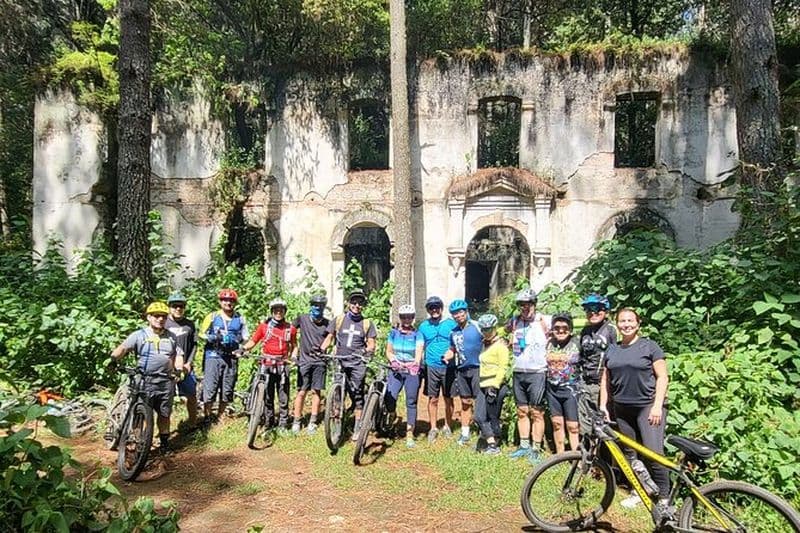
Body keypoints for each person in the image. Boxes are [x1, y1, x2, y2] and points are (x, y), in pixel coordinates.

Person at [599, 308, 669, 509]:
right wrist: (604, 405)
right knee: (630, 452)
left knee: (653, 452)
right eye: (622, 321)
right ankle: (638, 490)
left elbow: (662, 377)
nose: (626, 324)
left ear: (638, 323)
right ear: (617, 324)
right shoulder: (612, 349)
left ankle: (664, 497)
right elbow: (606, 379)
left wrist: (657, 405)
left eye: (630, 320)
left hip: (648, 406)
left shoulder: (649, 346)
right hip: (622, 408)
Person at [110, 301, 184, 452]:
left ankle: (164, 444)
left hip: (165, 381)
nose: (160, 319)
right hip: (145, 380)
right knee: (141, 412)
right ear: (149, 317)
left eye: (163, 316)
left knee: (164, 414)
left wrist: (178, 369)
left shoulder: (172, 337)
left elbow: (178, 355)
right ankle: (138, 441)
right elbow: (123, 348)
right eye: (156, 316)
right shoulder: (139, 335)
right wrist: (112, 360)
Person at [320, 289, 377, 439]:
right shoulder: (339, 320)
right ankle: (337, 425)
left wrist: (365, 351)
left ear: (363, 305)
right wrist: (321, 349)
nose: (356, 305)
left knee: (357, 394)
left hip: (357, 362)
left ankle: (358, 426)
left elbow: (372, 344)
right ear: (348, 303)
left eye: (360, 303)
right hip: (340, 360)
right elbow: (329, 338)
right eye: (354, 302)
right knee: (337, 395)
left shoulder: (367, 324)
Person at [505, 288, 550, 461]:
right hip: (519, 371)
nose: (524, 308)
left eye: (527, 304)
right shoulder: (515, 321)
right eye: (521, 305)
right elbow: (503, 331)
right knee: (521, 410)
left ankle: (536, 447)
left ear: (534, 304)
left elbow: (564, 329)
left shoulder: (544, 320)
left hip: (538, 372)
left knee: (536, 412)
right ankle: (524, 445)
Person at [242, 298, 296, 434]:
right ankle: (269, 422)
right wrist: (243, 349)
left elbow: (294, 346)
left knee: (283, 395)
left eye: (281, 310)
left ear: (284, 312)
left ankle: (283, 424)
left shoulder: (290, 329)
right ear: (272, 312)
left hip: (282, 365)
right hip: (266, 364)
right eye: (276, 310)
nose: (278, 312)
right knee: (267, 395)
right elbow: (253, 341)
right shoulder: (263, 327)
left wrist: (294, 357)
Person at [200, 288, 249, 420]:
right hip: (213, 355)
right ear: (220, 302)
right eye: (225, 300)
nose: (228, 303)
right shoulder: (212, 317)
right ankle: (207, 416)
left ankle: (220, 416)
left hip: (231, 356)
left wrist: (242, 349)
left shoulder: (240, 318)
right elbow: (200, 334)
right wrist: (212, 337)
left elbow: (246, 338)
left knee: (227, 388)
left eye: (231, 301)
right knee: (210, 386)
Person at [417, 295, 457, 443]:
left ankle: (447, 425)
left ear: (441, 308)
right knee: (433, 398)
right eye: (431, 308)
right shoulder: (423, 326)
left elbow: (457, 342)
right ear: (428, 310)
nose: (434, 310)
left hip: (448, 366)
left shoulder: (451, 324)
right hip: (431, 366)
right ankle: (433, 427)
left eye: (437, 307)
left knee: (448, 398)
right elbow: (420, 345)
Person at [443, 299, 482, 446]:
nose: (458, 315)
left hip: (477, 368)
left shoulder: (477, 326)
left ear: (466, 312)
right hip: (461, 370)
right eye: (454, 313)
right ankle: (465, 433)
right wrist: (447, 356)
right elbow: (452, 349)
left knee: (480, 402)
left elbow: (489, 339)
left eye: (460, 312)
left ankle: (483, 431)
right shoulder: (453, 332)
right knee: (465, 402)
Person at [291, 294, 330, 435]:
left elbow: (331, 338)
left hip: (320, 361)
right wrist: (294, 349)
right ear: (310, 305)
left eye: (320, 305)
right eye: (314, 305)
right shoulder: (302, 319)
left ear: (324, 307)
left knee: (316, 391)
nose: (317, 308)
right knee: (301, 392)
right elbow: (290, 331)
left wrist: (325, 350)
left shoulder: (327, 323)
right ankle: (297, 420)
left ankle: (313, 421)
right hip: (304, 361)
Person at [578, 293, 617, 434]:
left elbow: (618, 357)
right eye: (589, 309)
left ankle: (606, 455)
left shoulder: (612, 330)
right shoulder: (585, 331)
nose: (593, 313)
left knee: (604, 423)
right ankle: (587, 454)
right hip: (586, 383)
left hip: (604, 384)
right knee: (586, 424)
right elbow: (581, 356)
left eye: (597, 309)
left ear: (605, 310)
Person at [385, 304, 422, 448]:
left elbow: (419, 352)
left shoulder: (417, 334)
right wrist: (393, 360)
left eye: (410, 317)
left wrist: (415, 363)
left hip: (411, 371)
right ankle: (392, 413)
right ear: (400, 318)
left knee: (411, 401)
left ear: (413, 318)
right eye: (404, 317)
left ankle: (409, 434)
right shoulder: (394, 333)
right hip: (396, 369)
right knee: (390, 397)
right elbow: (388, 351)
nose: (407, 319)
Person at [473, 314, 510, 456]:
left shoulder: (500, 346)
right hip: (484, 383)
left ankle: (494, 445)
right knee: (479, 416)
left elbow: (503, 367)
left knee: (491, 416)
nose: (486, 332)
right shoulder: (485, 344)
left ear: (495, 328)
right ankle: (490, 442)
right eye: (483, 330)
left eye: (489, 329)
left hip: (494, 385)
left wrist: (494, 386)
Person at [545, 313, 581, 453]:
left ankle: (576, 457)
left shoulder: (577, 342)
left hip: (571, 390)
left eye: (565, 327)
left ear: (570, 328)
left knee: (573, 426)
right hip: (552, 390)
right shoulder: (548, 343)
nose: (560, 330)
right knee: (557, 423)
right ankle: (560, 455)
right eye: (557, 327)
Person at [166, 292, 199, 428]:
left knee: (191, 396)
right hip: (167, 368)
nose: (178, 309)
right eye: (175, 306)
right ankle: (164, 429)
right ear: (170, 307)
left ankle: (193, 423)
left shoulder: (189, 325)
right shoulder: (163, 323)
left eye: (181, 306)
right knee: (166, 400)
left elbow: (194, 345)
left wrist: (189, 363)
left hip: (185, 367)